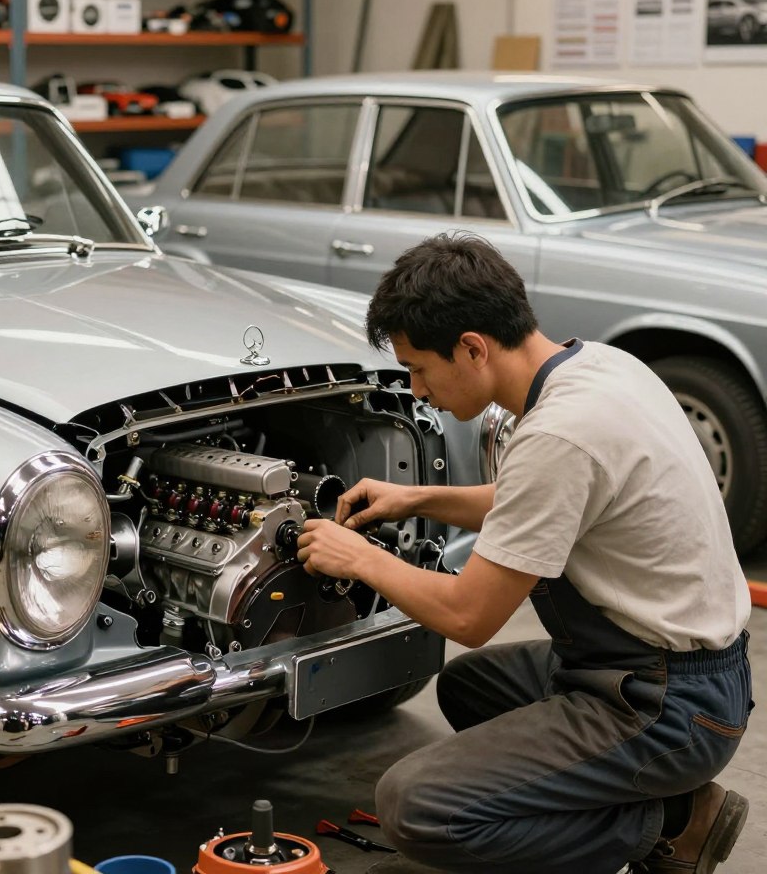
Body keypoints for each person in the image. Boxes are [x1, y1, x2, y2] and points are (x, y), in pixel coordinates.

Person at [296, 232, 753, 874]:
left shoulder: (559, 435)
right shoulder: (597, 366)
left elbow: (469, 618)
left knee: (416, 806)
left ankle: (672, 823)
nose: (418, 391)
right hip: (680, 669)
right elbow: (536, 504)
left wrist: (359, 558)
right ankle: (631, 799)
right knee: (468, 689)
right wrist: (415, 498)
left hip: (667, 705)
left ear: (473, 348)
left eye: (419, 369)